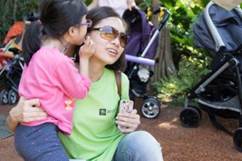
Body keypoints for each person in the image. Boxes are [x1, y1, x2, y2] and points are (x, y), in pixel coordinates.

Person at [7, 6, 163, 161]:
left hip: (113, 153)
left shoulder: (120, 80)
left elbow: (124, 124)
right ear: (85, 34)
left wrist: (130, 122)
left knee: (144, 141)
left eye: (122, 38)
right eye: (108, 33)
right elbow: (28, 128)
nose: (117, 43)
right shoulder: (56, 70)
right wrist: (14, 117)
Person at [13, 0, 95, 160]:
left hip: (27, 132)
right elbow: (81, 91)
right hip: (39, 134)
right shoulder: (59, 61)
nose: (88, 27)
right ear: (72, 31)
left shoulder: (39, 53)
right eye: (86, 22)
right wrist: (84, 59)